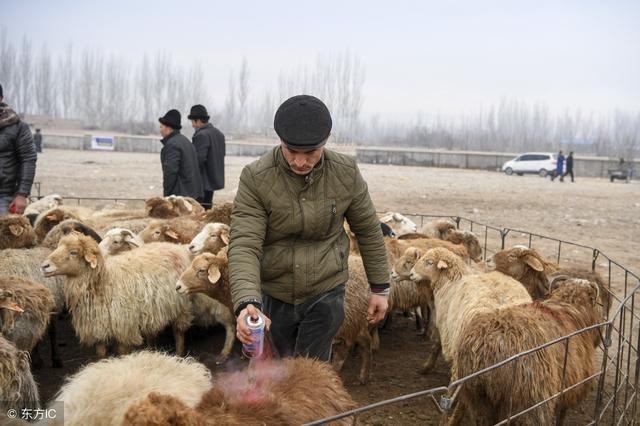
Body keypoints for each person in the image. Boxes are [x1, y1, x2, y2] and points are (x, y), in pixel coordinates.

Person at [229, 95, 389, 361]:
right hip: (277, 291)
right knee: (278, 365)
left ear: (324, 144)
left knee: (311, 368)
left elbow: (369, 229)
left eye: (311, 153)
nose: (300, 162)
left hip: (325, 289)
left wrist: (380, 288)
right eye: (292, 152)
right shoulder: (256, 177)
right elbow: (245, 243)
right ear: (280, 141)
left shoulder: (345, 172)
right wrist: (247, 302)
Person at [0, 83, 37, 215]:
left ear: (1, 98)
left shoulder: (18, 127)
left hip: (3, 197)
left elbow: (28, 159)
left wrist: (22, 194)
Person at [158, 109, 203, 199]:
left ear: (169, 128)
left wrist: (167, 196)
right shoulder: (185, 141)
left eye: (161, 126)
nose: (160, 130)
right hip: (193, 193)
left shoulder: (172, 145)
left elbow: (170, 173)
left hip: (181, 196)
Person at [188, 104, 225, 209]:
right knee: (207, 208)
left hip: (201, 183)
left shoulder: (201, 135)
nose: (192, 125)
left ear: (198, 121)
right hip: (212, 181)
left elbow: (198, 159)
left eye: (192, 122)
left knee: (198, 210)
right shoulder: (219, 134)